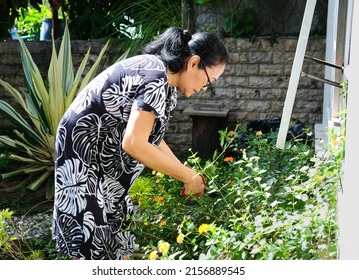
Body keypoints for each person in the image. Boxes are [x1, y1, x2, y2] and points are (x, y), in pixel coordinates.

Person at [52, 27, 229, 260]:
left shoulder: (168, 85)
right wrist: (188, 176)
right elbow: (134, 143)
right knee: (92, 241)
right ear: (194, 63)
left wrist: (187, 174)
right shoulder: (156, 76)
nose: (205, 89)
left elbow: (151, 138)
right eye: (209, 81)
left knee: (119, 233)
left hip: (103, 158)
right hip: (82, 155)